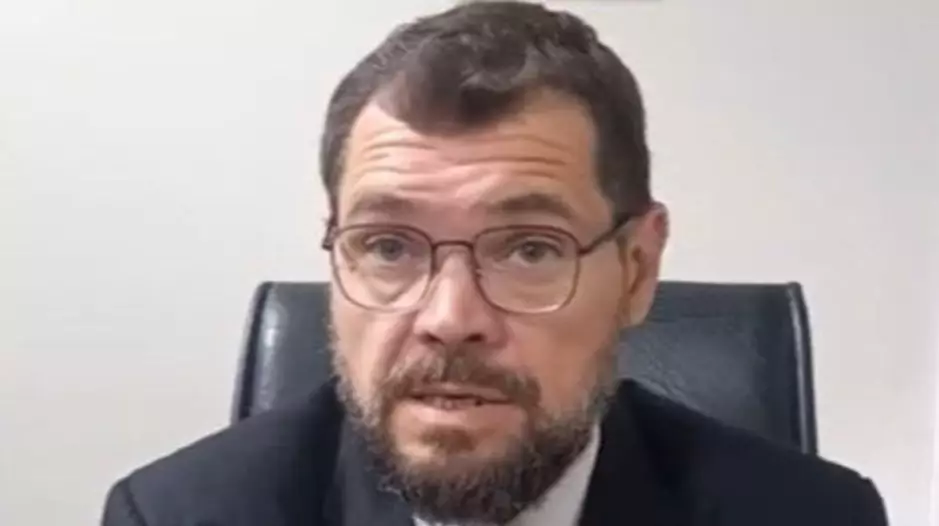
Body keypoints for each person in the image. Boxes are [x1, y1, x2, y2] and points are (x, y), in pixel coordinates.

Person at [101, 2, 888, 525]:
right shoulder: (177, 516)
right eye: (387, 246)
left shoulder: (811, 518)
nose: (449, 320)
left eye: (528, 249)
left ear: (636, 270)